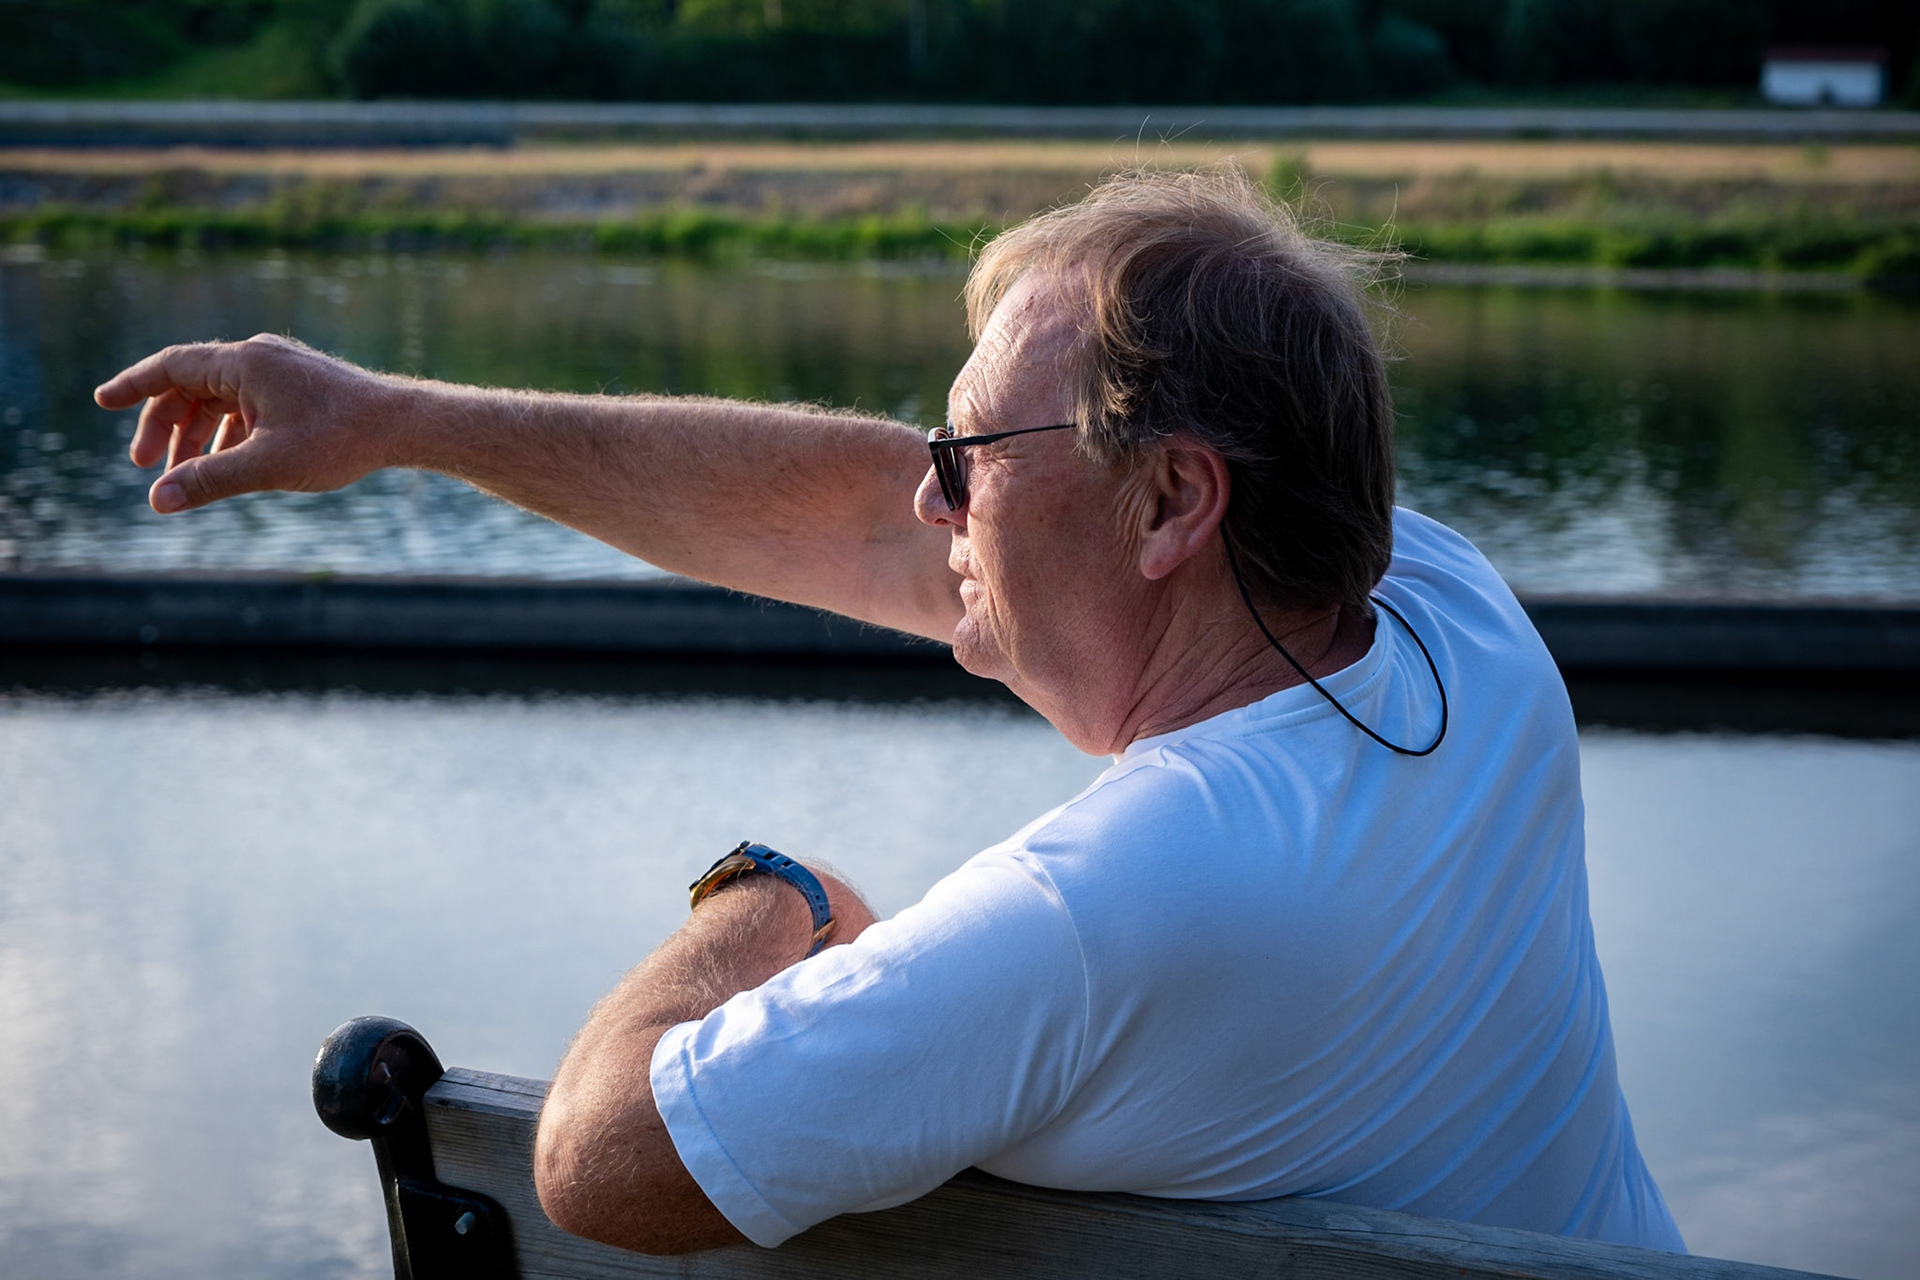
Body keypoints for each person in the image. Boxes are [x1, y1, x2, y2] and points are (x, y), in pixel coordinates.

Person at [95, 168, 1684, 1258]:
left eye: (969, 457)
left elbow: (598, 1163)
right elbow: (862, 512)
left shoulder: (1099, 910)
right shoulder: (1449, 611)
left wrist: (769, 899)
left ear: (1168, 505)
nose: (929, 500)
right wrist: (393, 421)